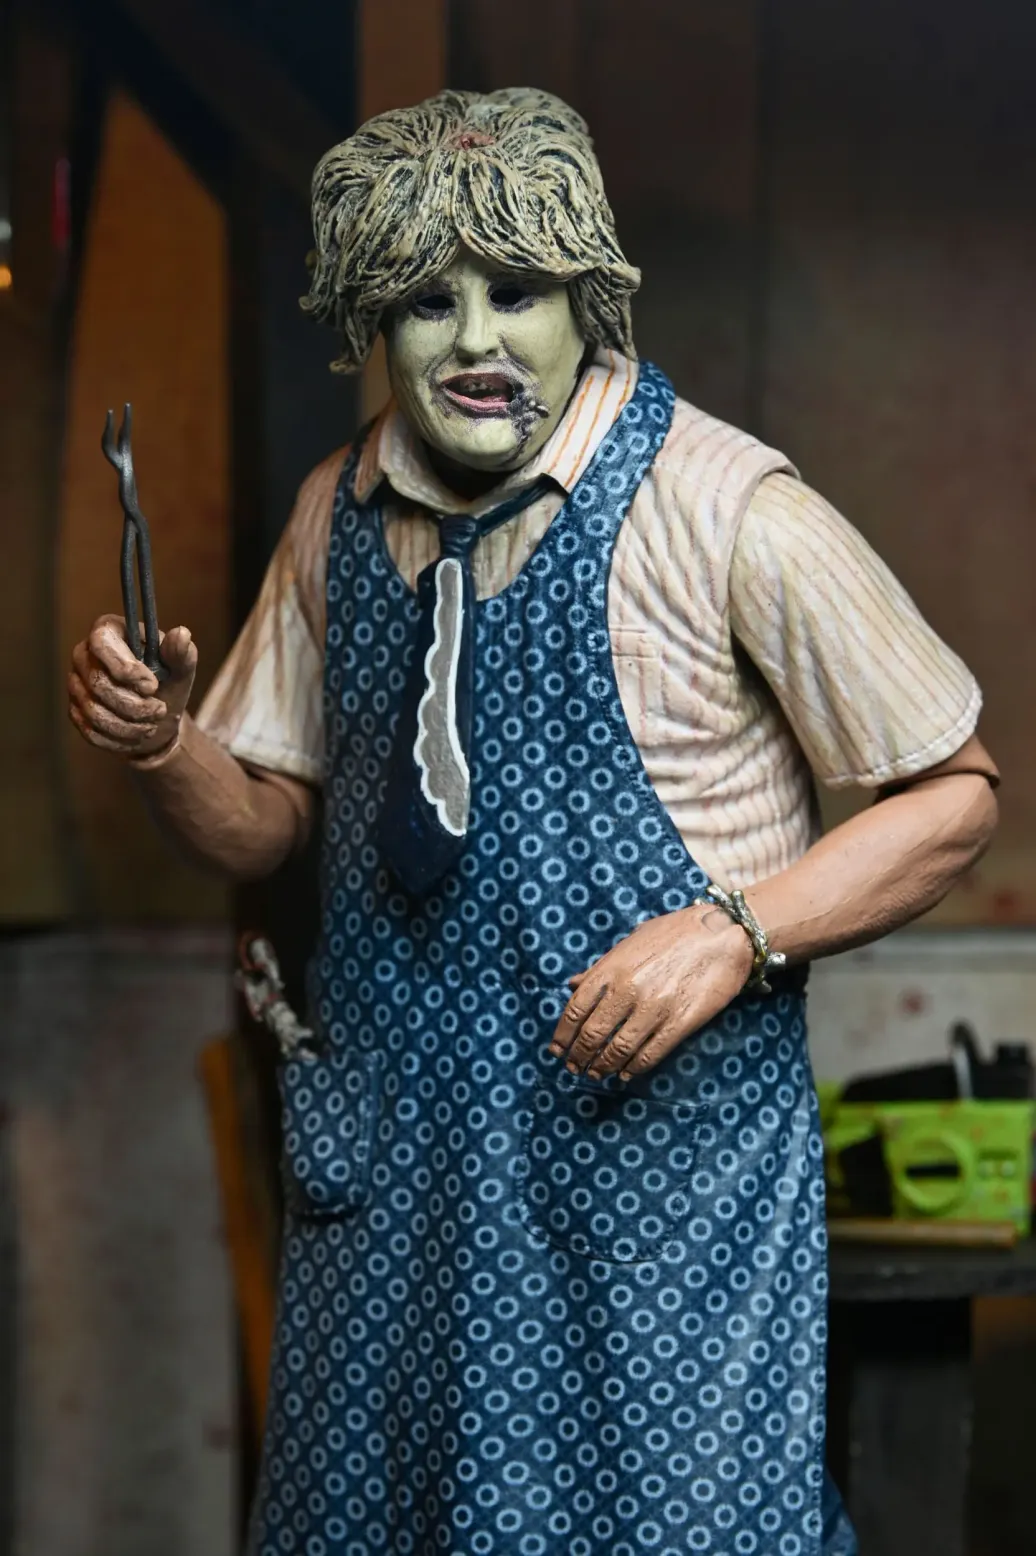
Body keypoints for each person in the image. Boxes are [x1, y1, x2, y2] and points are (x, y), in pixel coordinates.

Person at [68, 88, 998, 1556]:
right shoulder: (332, 514)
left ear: (587, 298)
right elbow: (262, 827)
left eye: (517, 292)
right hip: (395, 1222)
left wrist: (733, 935)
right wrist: (166, 745)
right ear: (374, 321)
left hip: (651, 1207)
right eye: (426, 303)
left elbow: (956, 797)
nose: (476, 342)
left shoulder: (728, 509)